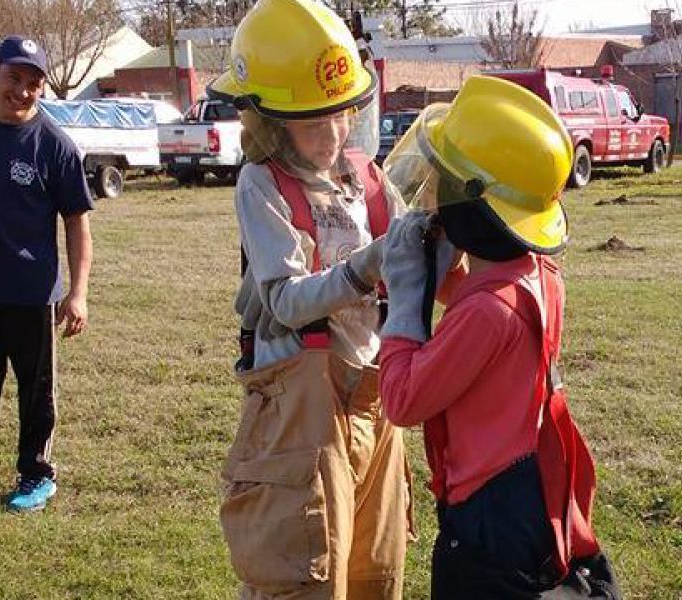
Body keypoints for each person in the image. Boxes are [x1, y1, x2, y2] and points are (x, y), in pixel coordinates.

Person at [378, 75, 623, 599]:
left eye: (441, 183)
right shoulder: (538, 275)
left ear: (473, 206)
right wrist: (439, 271)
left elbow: (401, 400)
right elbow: (481, 308)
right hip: (527, 485)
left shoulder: (487, 314)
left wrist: (404, 297)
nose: (432, 196)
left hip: (487, 512)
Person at [208, 1, 410, 598]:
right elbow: (287, 301)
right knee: (305, 569)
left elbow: (410, 250)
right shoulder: (262, 184)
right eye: (314, 122)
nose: (334, 134)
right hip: (300, 405)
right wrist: (367, 264)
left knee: (377, 566)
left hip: (373, 396)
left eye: (343, 115)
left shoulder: (366, 177)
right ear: (270, 122)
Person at [0, 36, 94, 512]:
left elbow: (78, 225)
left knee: (35, 393)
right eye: (14, 78)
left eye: (34, 83)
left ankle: (35, 474)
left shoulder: (55, 146)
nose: (22, 91)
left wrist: (77, 293)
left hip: (30, 294)